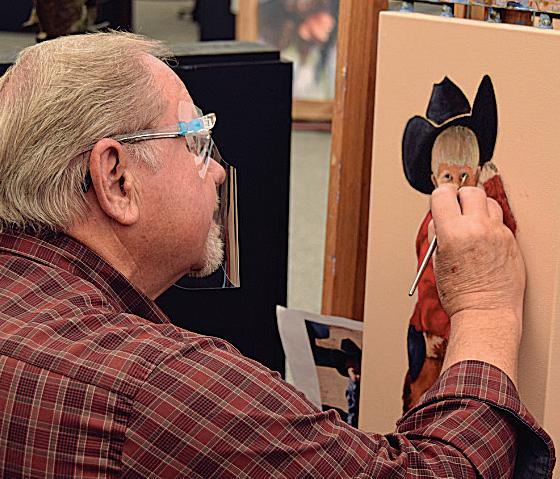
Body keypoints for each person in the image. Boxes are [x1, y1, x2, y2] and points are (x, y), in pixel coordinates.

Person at [0, 32, 554, 478]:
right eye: (196, 142)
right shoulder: (163, 387)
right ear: (116, 178)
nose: (218, 172)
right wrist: (485, 307)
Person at [401, 76, 518, 412]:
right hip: (432, 335)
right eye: (448, 177)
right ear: (433, 179)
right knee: (425, 403)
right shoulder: (434, 227)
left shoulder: (480, 212)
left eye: (465, 176)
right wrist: (435, 333)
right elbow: (430, 286)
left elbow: (503, 234)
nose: (456, 185)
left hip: (455, 334)